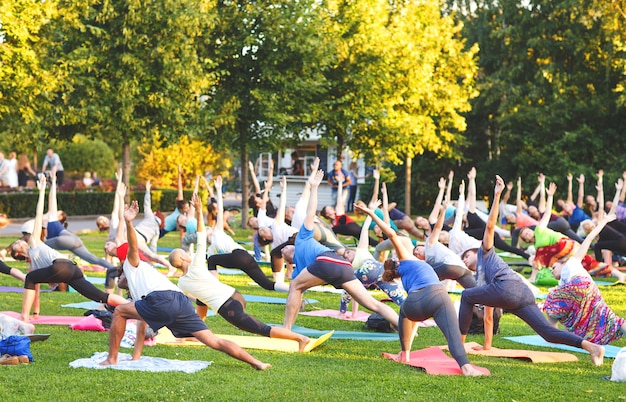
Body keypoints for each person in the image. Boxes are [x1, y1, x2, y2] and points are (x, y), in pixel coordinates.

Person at [99, 199, 271, 370]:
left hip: (163, 298)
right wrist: (135, 357)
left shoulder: (132, 266)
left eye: (120, 278)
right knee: (213, 341)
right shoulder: (141, 291)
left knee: (120, 311)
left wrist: (129, 222)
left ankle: (111, 359)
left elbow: (133, 247)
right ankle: (257, 363)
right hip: (180, 302)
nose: (119, 283)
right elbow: (141, 327)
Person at [458, 175, 605, 366]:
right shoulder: (482, 279)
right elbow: (488, 315)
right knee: (548, 333)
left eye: (465, 256)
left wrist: (497, 196)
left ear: (473, 251)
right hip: (522, 294)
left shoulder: (485, 252)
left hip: (509, 289)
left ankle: (458, 346)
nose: (464, 261)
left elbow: (491, 225)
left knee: (466, 295)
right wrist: (487, 346)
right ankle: (592, 347)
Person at [354, 201, 485, 376]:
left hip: (415, 304)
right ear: (398, 261)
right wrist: (371, 214)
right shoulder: (407, 260)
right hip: (438, 296)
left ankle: (405, 353)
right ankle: (466, 367)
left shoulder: (401, 275)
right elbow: (392, 235)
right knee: (452, 334)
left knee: (404, 315)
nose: (415, 252)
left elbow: (416, 311)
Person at [169, 193, 311, 351]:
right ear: (183, 258)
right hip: (236, 295)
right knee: (203, 298)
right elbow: (201, 235)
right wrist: (199, 209)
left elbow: (181, 304)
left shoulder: (182, 282)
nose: (188, 254)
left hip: (229, 307)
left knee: (262, 329)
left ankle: (301, 338)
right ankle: (198, 332)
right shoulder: (197, 264)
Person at [282, 166, 399, 330]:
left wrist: (314, 188)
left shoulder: (303, 237)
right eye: (283, 255)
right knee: (372, 304)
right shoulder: (298, 272)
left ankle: (285, 329)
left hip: (330, 260)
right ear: (289, 260)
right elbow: (295, 297)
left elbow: (310, 212)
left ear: (291, 246)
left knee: (295, 286)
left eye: (284, 248)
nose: (282, 251)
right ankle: (404, 328)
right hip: (342, 268)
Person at [9, 175, 128, 322]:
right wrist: (37, 311)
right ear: (19, 252)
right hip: (72, 270)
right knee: (100, 297)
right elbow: (37, 289)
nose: (20, 242)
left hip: (63, 266)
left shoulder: (35, 242)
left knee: (31, 278)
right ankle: (134, 307)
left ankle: (24, 316)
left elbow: (39, 215)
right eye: (17, 244)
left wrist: (41, 192)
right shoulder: (33, 264)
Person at [543, 213, 626, 345]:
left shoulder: (572, 262)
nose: (552, 271)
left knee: (551, 298)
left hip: (581, 284)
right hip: (590, 291)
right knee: (611, 319)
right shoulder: (563, 284)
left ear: (562, 262)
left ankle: (552, 334)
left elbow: (589, 239)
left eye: (553, 267)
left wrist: (604, 220)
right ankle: (556, 335)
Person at [519, 182, 625, 283]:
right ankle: (619, 275)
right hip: (566, 253)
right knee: (589, 264)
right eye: (525, 235)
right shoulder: (537, 246)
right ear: (527, 240)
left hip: (566, 245)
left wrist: (550, 196)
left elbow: (547, 214)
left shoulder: (539, 229)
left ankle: (533, 277)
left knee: (540, 254)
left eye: (527, 231)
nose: (528, 233)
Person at [42, 167, 120, 292]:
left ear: (60, 216)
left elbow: (52, 198)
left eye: (59, 212)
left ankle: (48, 278)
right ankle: (117, 269)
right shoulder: (55, 221)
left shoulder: (52, 217)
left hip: (66, 240)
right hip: (74, 240)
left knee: (40, 246)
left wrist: (53, 182)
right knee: (93, 259)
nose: (57, 210)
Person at [206, 176, 289, 292]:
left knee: (211, 260)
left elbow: (220, 211)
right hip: (244, 258)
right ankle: (294, 289)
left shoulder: (217, 231)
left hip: (239, 255)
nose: (207, 228)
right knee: (267, 284)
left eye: (207, 227)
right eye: (205, 229)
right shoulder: (210, 250)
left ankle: (215, 290)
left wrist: (219, 190)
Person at [319, 173, 377, 247]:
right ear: (327, 214)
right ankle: (382, 244)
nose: (331, 208)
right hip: (353, 232)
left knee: (332, 229)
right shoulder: (332, 224)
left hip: (353, 227)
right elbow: (334, 238)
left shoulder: (338, 212)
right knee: (370, 242)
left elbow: (339, 197)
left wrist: (340, 183)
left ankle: (385, 242)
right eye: (329, 209)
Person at [160, 164, 189, 239]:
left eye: (188, 207)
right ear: (181, 209)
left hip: (167, 226)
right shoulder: (179, 215)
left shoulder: (182, 211)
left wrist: (179, 174)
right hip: (162, 229)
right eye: (186, 208)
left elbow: (180, 190)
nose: (188, 209)